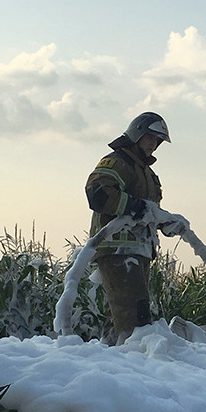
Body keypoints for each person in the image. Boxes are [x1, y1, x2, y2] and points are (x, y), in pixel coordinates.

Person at [84, 111, 185, 343]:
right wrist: (133, 206)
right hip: (117, 249)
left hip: (139, 252)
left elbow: (147, 211)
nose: (153, 144)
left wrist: (165, 223)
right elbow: (97, 192)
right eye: (149, 137)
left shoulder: (147, 173)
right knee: (135, 317)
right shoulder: (118, 162)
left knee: (122, 315)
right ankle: (129, 358)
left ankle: (110, 354)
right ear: (136, 134)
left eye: (157, 140)